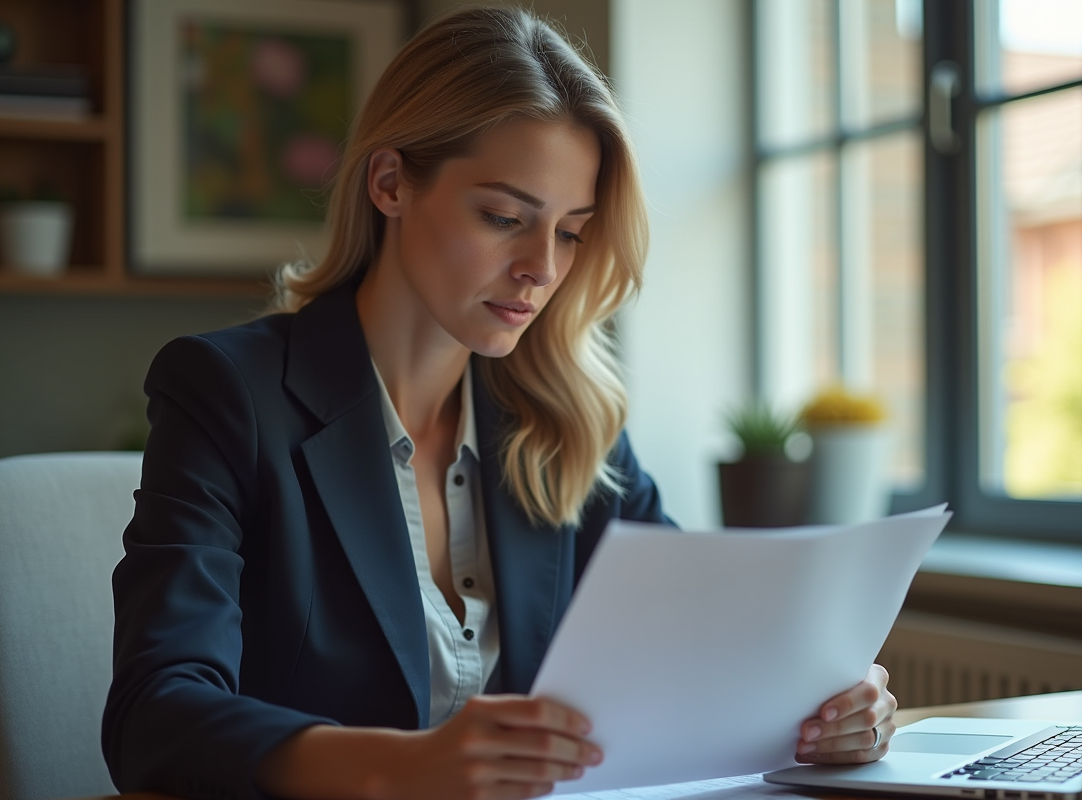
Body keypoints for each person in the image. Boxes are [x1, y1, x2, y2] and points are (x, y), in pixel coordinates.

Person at [102, 7, 898, 800]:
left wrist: (826, 703)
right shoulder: (226, 393)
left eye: (571, 232)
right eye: (505, 218)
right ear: (389, 184)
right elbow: (155, 715)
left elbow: (702, 645)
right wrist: (399, 767)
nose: (541, 269)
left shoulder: (568, 419)